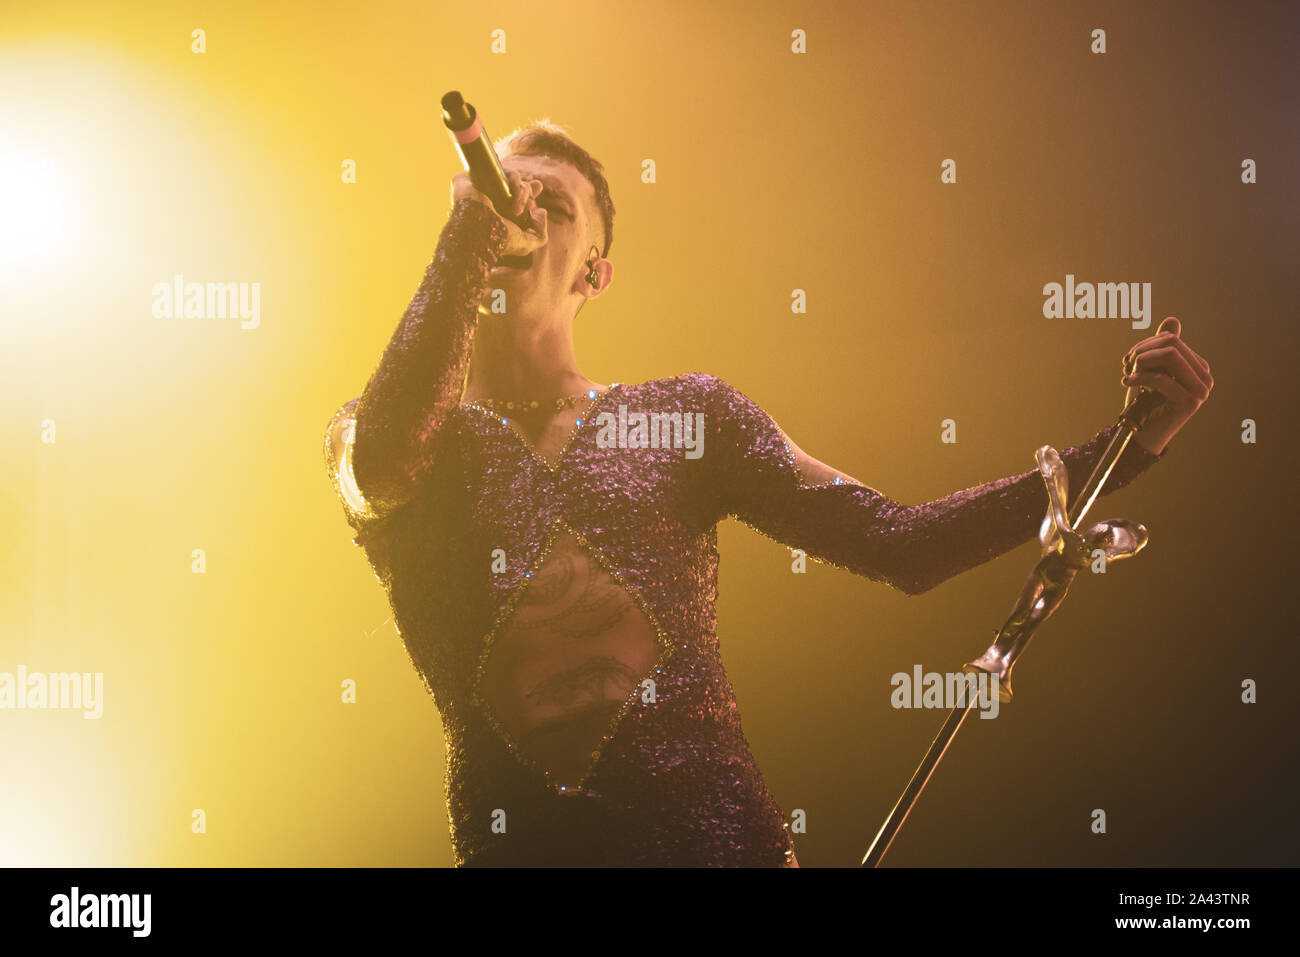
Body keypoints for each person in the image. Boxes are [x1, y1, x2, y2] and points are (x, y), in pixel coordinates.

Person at [323, 121, 1212, 867]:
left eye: (547, 206)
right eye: (498, 197)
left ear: (595, 271)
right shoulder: (384, 430)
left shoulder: (688, 415)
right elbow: (384, 465)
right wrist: (462, 241)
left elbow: (903, 544)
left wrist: (1127, 448)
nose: (513, 217)